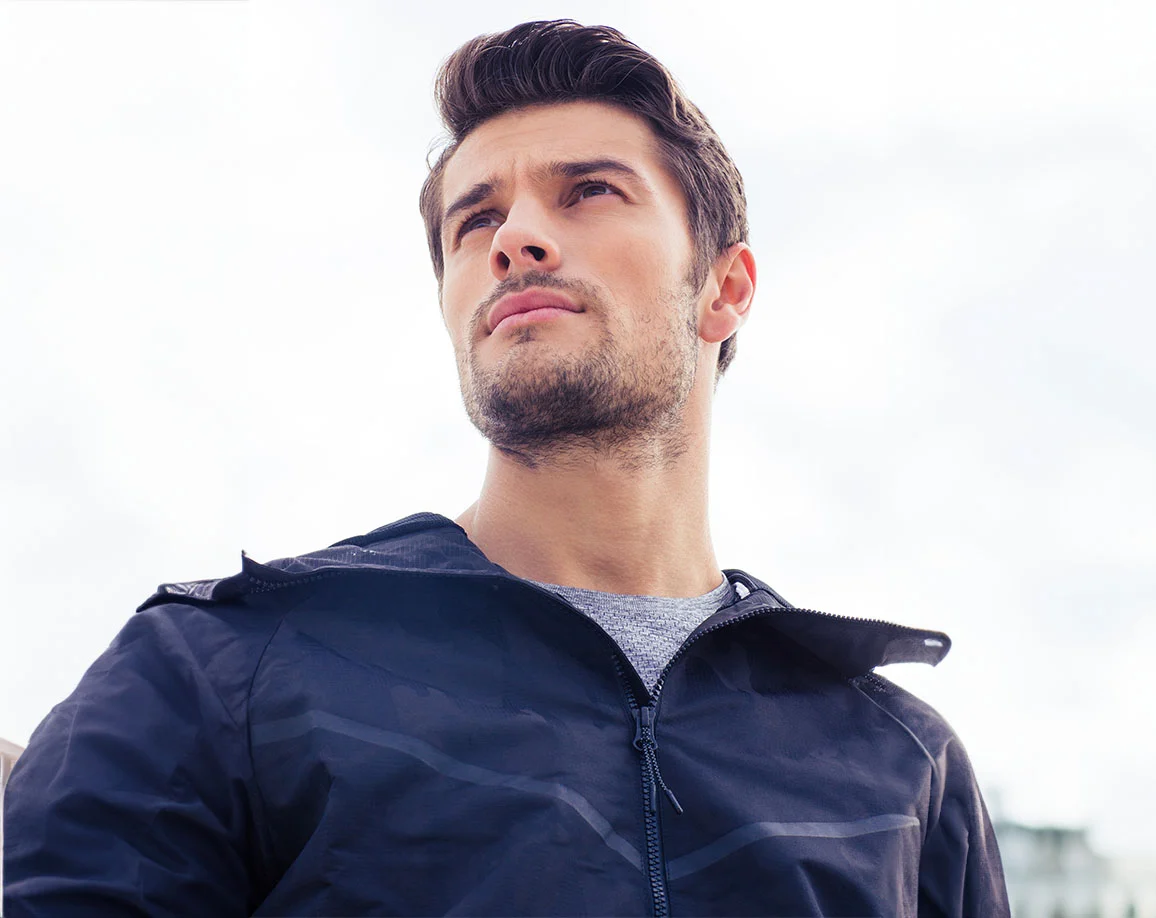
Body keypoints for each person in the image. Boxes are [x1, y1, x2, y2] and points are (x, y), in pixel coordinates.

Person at [3, 19, 1010, 918]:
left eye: (590, 192)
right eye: (474, 221)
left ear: (727, 287)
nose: (515, 238)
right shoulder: (218, 674)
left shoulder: (902, 769)